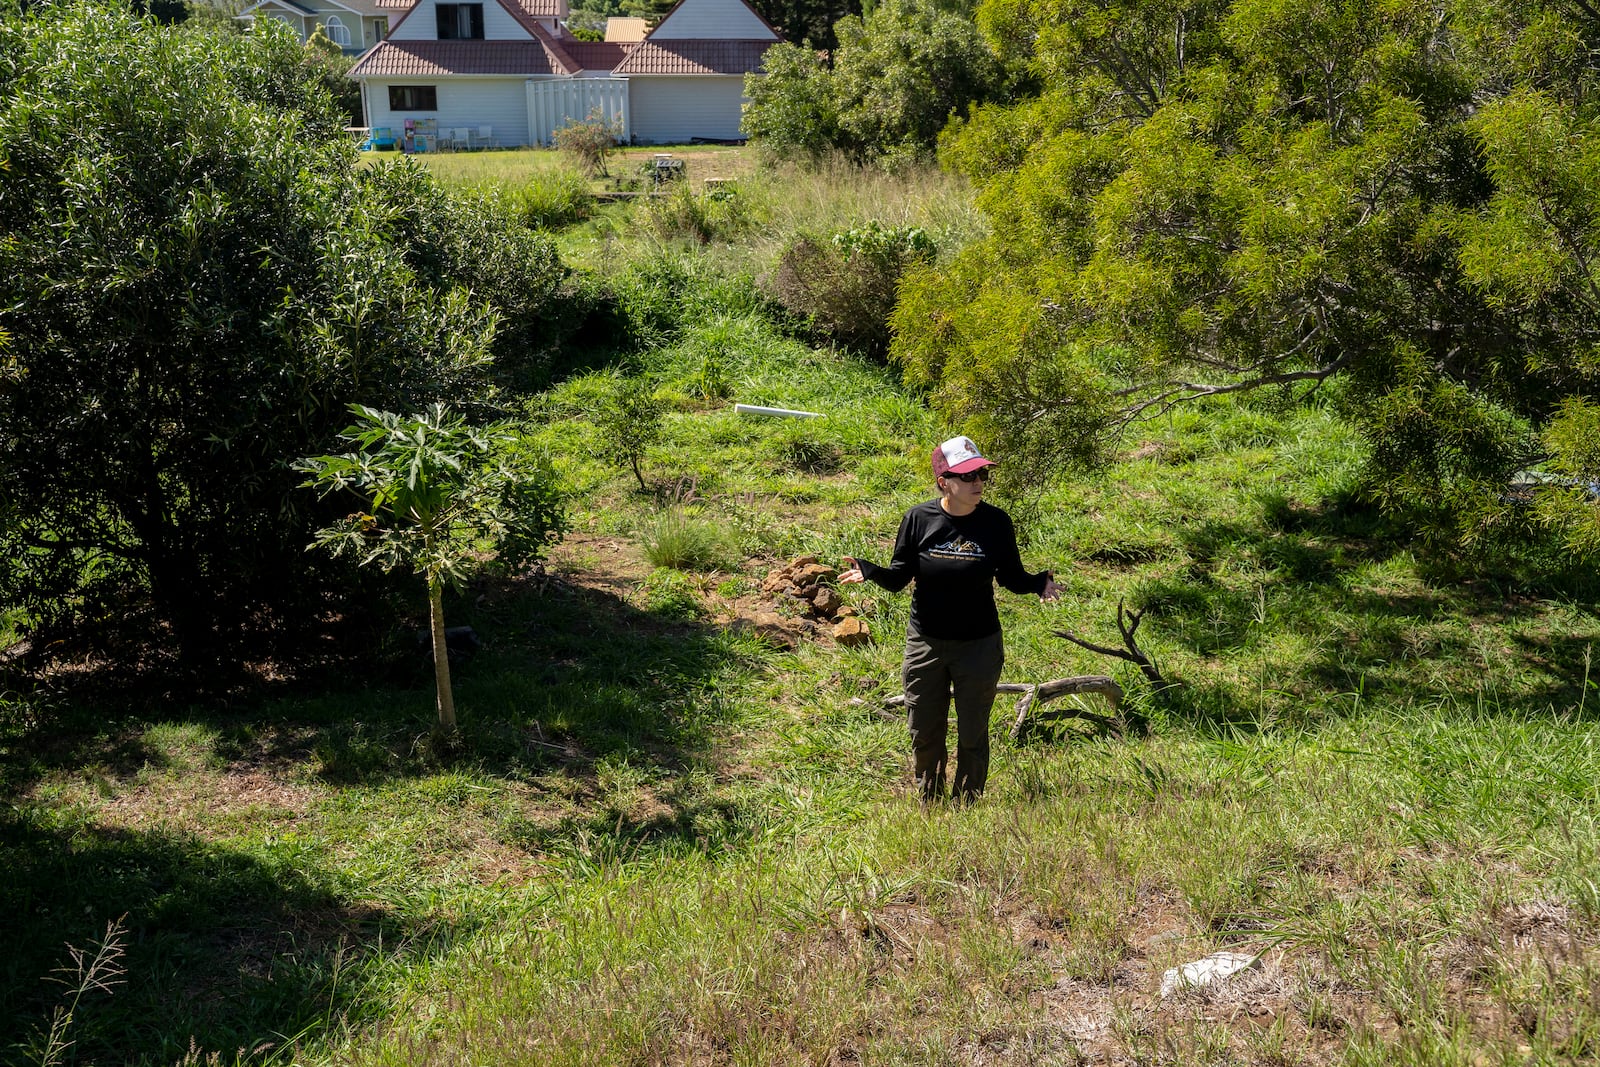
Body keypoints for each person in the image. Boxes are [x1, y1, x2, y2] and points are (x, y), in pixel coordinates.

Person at [841, 436, 1061, 802]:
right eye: (968, 476)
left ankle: (967, 803)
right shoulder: (918, 519)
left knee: (973, 732)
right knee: (925, 731)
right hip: (926, 642)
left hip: (979, 645)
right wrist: (871, 571)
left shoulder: (996, 523)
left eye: (982, 475)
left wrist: (1039, 583)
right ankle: (930, 799)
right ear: (944, 481)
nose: (978, 483)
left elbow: (1010, 577)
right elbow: (898, 577)